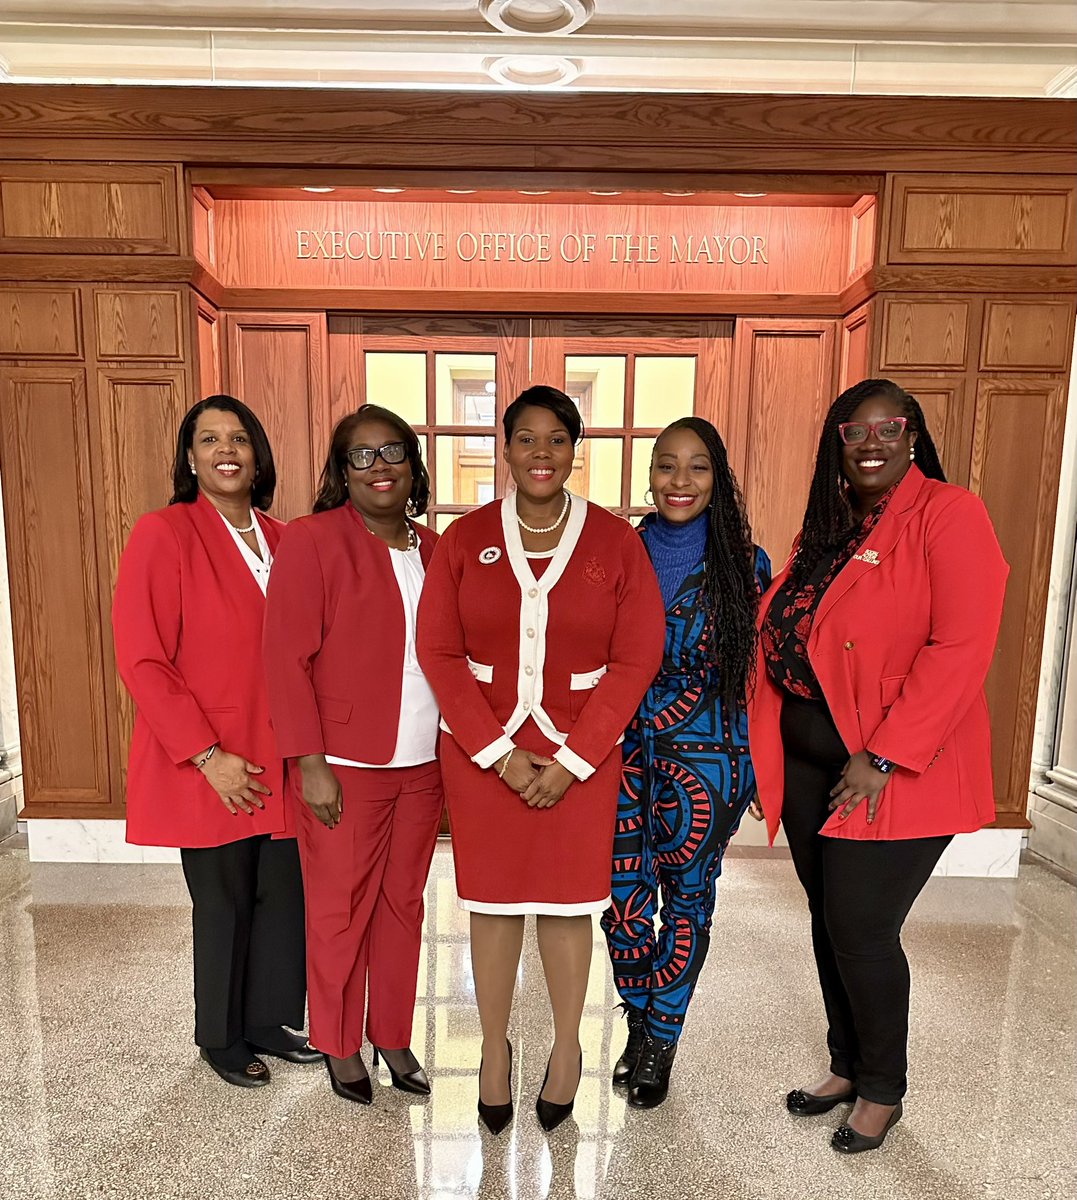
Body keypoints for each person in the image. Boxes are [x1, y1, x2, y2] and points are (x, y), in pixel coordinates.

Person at [747, 378, 1008, 1153]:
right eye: (852, 431)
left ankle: (882, 1090)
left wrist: (884, 757)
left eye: (886, 427)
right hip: (803, 759)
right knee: (830, 923)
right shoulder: (825, 529)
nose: (869, 442)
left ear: (912, 436)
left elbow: (959, 648)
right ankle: (844, 1064)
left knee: (862, 927)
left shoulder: (950, 515)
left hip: (888, 764)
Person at [417, 385, 665, 1135]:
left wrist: (573, 758)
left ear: (572, 449)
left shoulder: (615, 543)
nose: (540, 454)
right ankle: (493, 1051)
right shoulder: (463, 539)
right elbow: (439, 650)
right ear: (506, 447)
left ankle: (566, 1050)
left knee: (565, 909)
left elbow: (635, 657)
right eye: (525, 439)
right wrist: (497, 753)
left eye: (556, 440)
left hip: (579, 760)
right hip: (481, 753)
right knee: (491, 907)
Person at [112, 394, 318, 1088]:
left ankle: (267, 1020)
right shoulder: (164, 533)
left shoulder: (287, 539)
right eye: (208, 439)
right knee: (224, 901)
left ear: (257, 455)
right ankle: (220, 1037)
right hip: (210, 760)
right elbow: (142, 656)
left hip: (282, 755)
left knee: (280, 898)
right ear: (190, 458)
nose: (225, 450)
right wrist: (207, 756)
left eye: (238, 438)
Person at [263, 405, 443, 1106]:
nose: (379, 467)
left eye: (392, 452)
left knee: (404, 905)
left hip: (424, 761)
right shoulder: (313, 541)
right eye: (362, 457)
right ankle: (339, 1042)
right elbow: (285, 658)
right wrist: (308, 761)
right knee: (340, 909)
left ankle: (392, 1034)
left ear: (412, 465)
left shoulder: (434, 548)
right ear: (342, 473)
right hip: (344, 764)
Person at [600, 417, 770, 1109]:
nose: (678, 481)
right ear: (649, 474)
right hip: (618, 755)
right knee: (621, 903)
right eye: (666, 466)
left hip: (710, 760)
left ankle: (660, 1042)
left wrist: (762, 765)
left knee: (687, 904)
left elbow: (758, 673)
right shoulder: (616, 551)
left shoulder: (745, 563)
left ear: (716, 479)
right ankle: (639, 1017)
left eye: (696, 468)